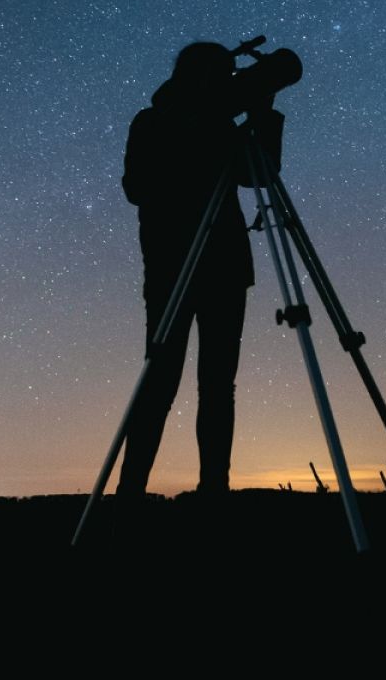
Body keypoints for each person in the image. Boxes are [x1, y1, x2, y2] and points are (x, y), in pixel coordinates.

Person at [117, 41, 283, 498]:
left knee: (217, 386)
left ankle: (215, 491)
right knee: (160, 381)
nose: (227, 83)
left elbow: (261, 176)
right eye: (220, 74)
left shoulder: (225, 125)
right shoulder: (152, 122)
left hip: (225, 269)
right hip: (172, 267)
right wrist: (194, 136)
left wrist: (263, 114)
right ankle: (129, 494)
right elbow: (137, 187)